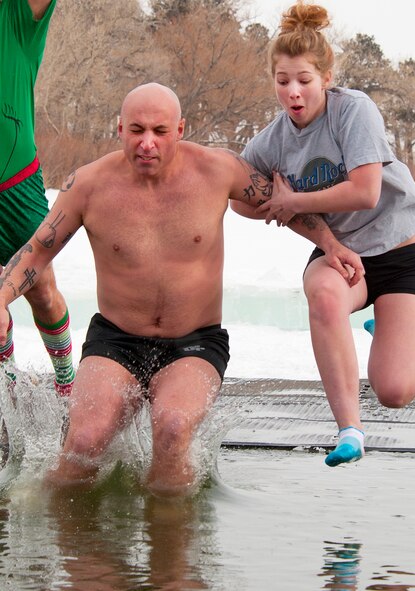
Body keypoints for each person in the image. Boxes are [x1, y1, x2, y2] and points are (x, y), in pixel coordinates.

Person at [0, 83, 364, 495]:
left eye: (160, 130)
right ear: (119, 128)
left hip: (195, 342)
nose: (147, 143)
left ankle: (171, 548)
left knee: (172, 431)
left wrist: (331, 245)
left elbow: (281, 204)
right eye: (136, 130)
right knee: (83, 442)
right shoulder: (88, 184)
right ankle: (66, 546)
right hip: (116, 340)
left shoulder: (217, 170)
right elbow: (35, 254)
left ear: (180, 130)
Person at [231, 1, 415, 467]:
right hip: (343, 257)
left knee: (395, 391)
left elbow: (365, 192)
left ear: (325, 77)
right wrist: (267, 200)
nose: (293, 92)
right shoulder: (272, 140)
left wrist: (293, 203)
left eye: (304, 80)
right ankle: (350, 430)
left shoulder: (354, 111)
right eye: (283, 81)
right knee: (324, 295)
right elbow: (238, 197)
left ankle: (385, 325)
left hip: (404, 254)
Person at [0, 0, 75, 395]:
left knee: (41, 289)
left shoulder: (13, 15)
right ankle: (7, 391)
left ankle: (67, 383)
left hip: (16, 182)